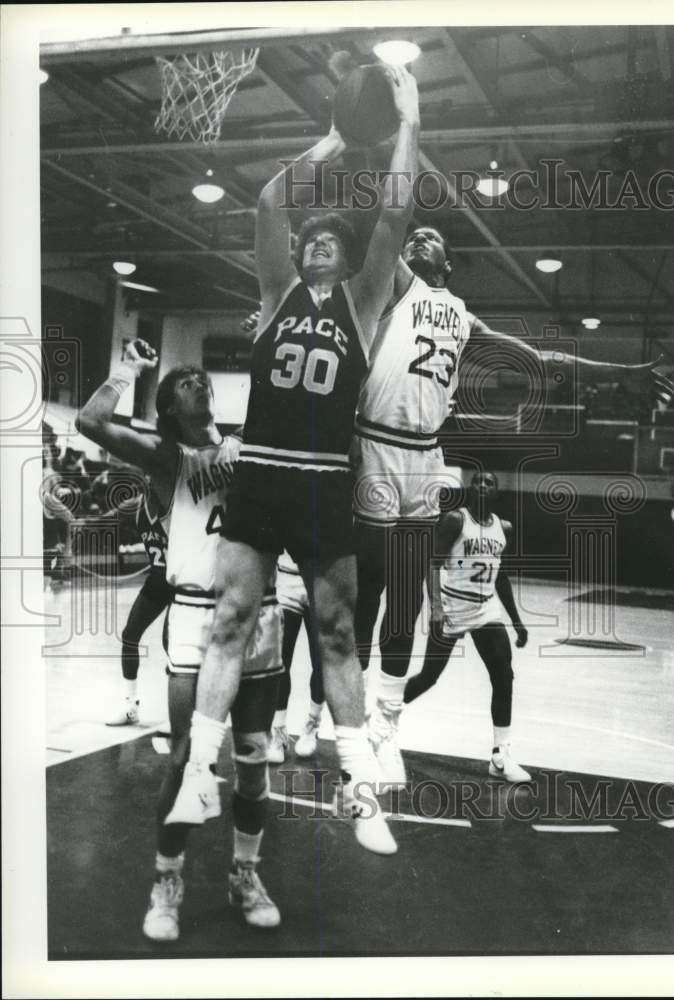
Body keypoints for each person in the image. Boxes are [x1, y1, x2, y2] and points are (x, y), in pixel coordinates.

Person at [166, 65, 420, 856]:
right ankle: (199, 772)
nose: (314, 242)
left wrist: (408, 121)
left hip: (322, 481)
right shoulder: (273, 294)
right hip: (265, 474)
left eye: (327, 240)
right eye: (309, 238)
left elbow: (396, 215)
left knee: (340, 632)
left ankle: (359, 787)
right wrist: (336, 140)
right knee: (233, 619)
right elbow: (271, 201)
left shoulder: (364, 300)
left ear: (342, 257)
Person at [354, 225, 674, 784]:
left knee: (405, 596)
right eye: (413, 236)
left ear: (449, 265)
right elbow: (376, 228)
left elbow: (542, 356)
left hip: (424, 455)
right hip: (372, 442)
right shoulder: (396, 284)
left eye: (430, 237)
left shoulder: (463, 317)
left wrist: (621, 374)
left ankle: (383, 728)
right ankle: (330, 716)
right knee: (363, 593)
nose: (418, 239)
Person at [76, 343, 283, 941]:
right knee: (187, 755)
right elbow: (91, 422)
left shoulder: (250, 443)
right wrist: (126, 368)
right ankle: (166, 880)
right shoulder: (170, 458)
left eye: (201, 378)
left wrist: (268, 339)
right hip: (195, 615)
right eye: (183, 381)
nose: (196, 381)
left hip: (258, 613)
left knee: (251, 760)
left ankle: (246, 872)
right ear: (169, 407)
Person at [403, 471, 531, 781]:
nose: (483, 485)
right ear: (469, 489)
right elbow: (432, 564)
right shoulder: (454, 521)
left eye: (489, 482)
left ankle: (501, 755)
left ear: (496, 492)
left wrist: (517, 622)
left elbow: (500, 575)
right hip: (453, 608)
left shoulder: (504, 528)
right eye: (477, 481)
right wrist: (435, 609)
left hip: (486, 611)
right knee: (429, 677)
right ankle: (382, 717)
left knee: (504, 675)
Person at [106, 488, 174, 726]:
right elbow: (107, 519)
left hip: (182, 579)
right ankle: (130, 705)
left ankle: (182, 714)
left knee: (173, 644)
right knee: (130, 634)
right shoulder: (136, 504)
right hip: (158, 578)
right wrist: (78, 521)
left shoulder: (179, 500)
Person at [267, 551, 325, 763]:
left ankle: (313, 724)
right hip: (287, 577)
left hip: (322, 578)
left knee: (321, 662)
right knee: (280, 659)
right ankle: (279, 731)